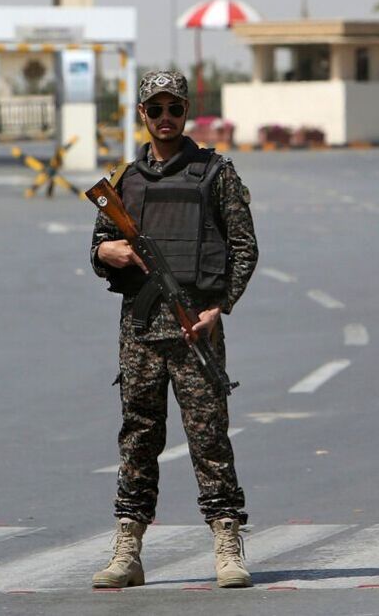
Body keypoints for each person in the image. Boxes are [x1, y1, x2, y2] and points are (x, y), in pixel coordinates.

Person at [87, 70, 256, 590]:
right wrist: (107, 250)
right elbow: (98, 246)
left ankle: (227, 544)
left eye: (174, 109)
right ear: (142, 114)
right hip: (140, 332)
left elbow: (244, 249)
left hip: (195, 331)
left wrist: (219, 308)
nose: (165, 119)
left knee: (209, 440)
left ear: (186, 112)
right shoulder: (123, 181)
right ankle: (128, 550)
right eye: (155, 109)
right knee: (138, 438)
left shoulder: (216, 174)